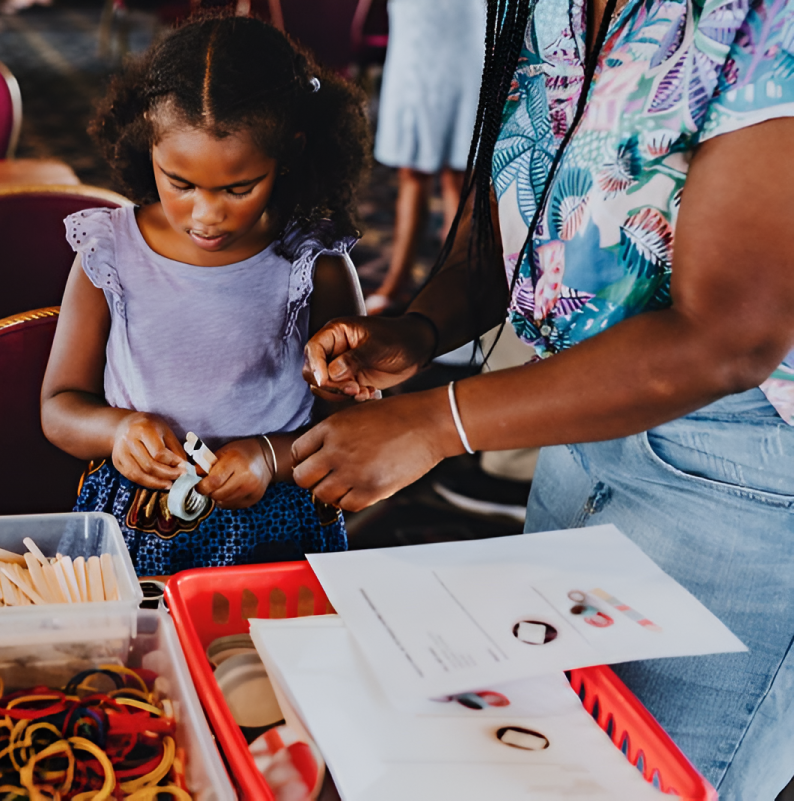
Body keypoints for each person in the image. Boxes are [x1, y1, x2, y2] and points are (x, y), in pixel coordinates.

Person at [290, 0, 794, 795]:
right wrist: (422, 327)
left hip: (742, 469)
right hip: (580, 407)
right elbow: (530, 194)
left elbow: (729, 336)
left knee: (652, 777)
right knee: (548, 764)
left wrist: (437, 422)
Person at [40, 14, 370, 576]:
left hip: (277, 519)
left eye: (239, 188)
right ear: (149, 144)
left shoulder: (315, 264)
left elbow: (352, 426)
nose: (206, 215)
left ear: (288, 152)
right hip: (138, 523)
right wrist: (117, 429)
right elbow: (59, 407)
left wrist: (271, 456)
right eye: (180, 183)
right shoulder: (109, 253)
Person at [364, 0, 485, 314]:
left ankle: (455, 282)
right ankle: (396, 281)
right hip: (416, 25)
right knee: (411, 168)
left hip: (466, 21)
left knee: (458, 174)